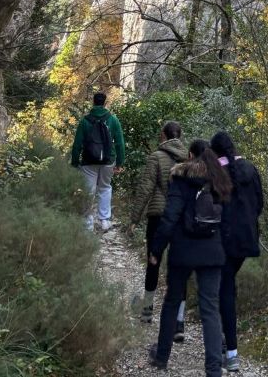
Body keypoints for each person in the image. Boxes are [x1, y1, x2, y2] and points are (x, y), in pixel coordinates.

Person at [148, 147, 233, 377]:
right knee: (210, 309)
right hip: (212, 253)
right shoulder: (219, 182)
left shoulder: (180, 180)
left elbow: (169, 217)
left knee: (172, 301)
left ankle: (162, 356)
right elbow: (226, 223)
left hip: (183, 251)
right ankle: (214, 369)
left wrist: (156, 249)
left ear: (189, 157)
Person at [210, 131, 264, 372]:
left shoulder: (216, 173)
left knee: (225, 290)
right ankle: (226, 342)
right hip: (247, 239)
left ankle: (230, 350)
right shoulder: (250, 169)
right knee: (228, 285)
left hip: (224, 239)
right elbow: (260, 204)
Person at [129, 121, 188, 324]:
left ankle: (147, 311)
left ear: (163, 135)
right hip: (180, 218)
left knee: (153, 262)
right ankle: (179, 320)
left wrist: (134, 219)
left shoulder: (156, 157)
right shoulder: (189, 159)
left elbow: (146, 188)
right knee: (179, 266)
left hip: (158, 215)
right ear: (179, 136)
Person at [70, 91, 125, 232]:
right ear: (105, 103)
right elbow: (119, 143)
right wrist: (119, 163)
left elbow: (77, 144)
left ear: (93, 102)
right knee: (105, 187)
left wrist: (75, 163)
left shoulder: (84, 121)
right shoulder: (113, 120)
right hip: (108, 161)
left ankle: (88, 223)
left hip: (88, 161)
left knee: (88, 191)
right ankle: (104, 221)